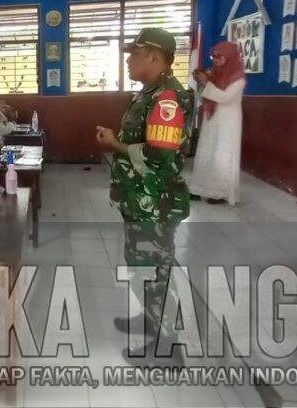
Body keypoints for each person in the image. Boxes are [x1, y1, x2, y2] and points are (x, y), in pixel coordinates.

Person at [94, 27, 193, 365]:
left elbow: (160, 157)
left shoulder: (167, 99)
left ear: (154, 57)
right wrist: (117, 140)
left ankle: (168, 350)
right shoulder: (149, 93)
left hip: (155, 202)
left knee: (154, 271)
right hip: (140, 199)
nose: (128, 61)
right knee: (141, 267)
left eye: (134, 54)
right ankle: (151, 320)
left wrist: (115, 145)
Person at [188, 41, 246, 205]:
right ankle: (199, 188)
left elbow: (225, 97)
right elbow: (204, 96)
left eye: (220, 57)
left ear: (230, 57)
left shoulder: (239, 78)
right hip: (212, 118)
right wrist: (200, 81)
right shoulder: (215, 74)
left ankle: (220, 192)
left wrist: (207, 83)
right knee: (207, 152)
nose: (216, 60)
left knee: (222, 154)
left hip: (228, 121)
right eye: (214, 57)